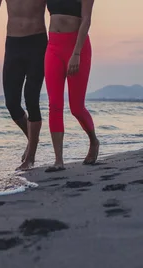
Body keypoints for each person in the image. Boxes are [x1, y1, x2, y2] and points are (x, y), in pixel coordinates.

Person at [0, 0, 48, 171]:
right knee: (11, 103)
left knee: (31, 98)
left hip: (38, 43)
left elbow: (58, 9)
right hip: (13, 44)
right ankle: (33, 140)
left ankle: (30, 157)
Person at [44, 0, 99, 171]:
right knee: (54, 104)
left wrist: (76, 53)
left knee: (76, 107)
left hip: (77, 48)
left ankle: (93, 141)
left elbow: (87, 19)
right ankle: (58, 161)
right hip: (53, 47)